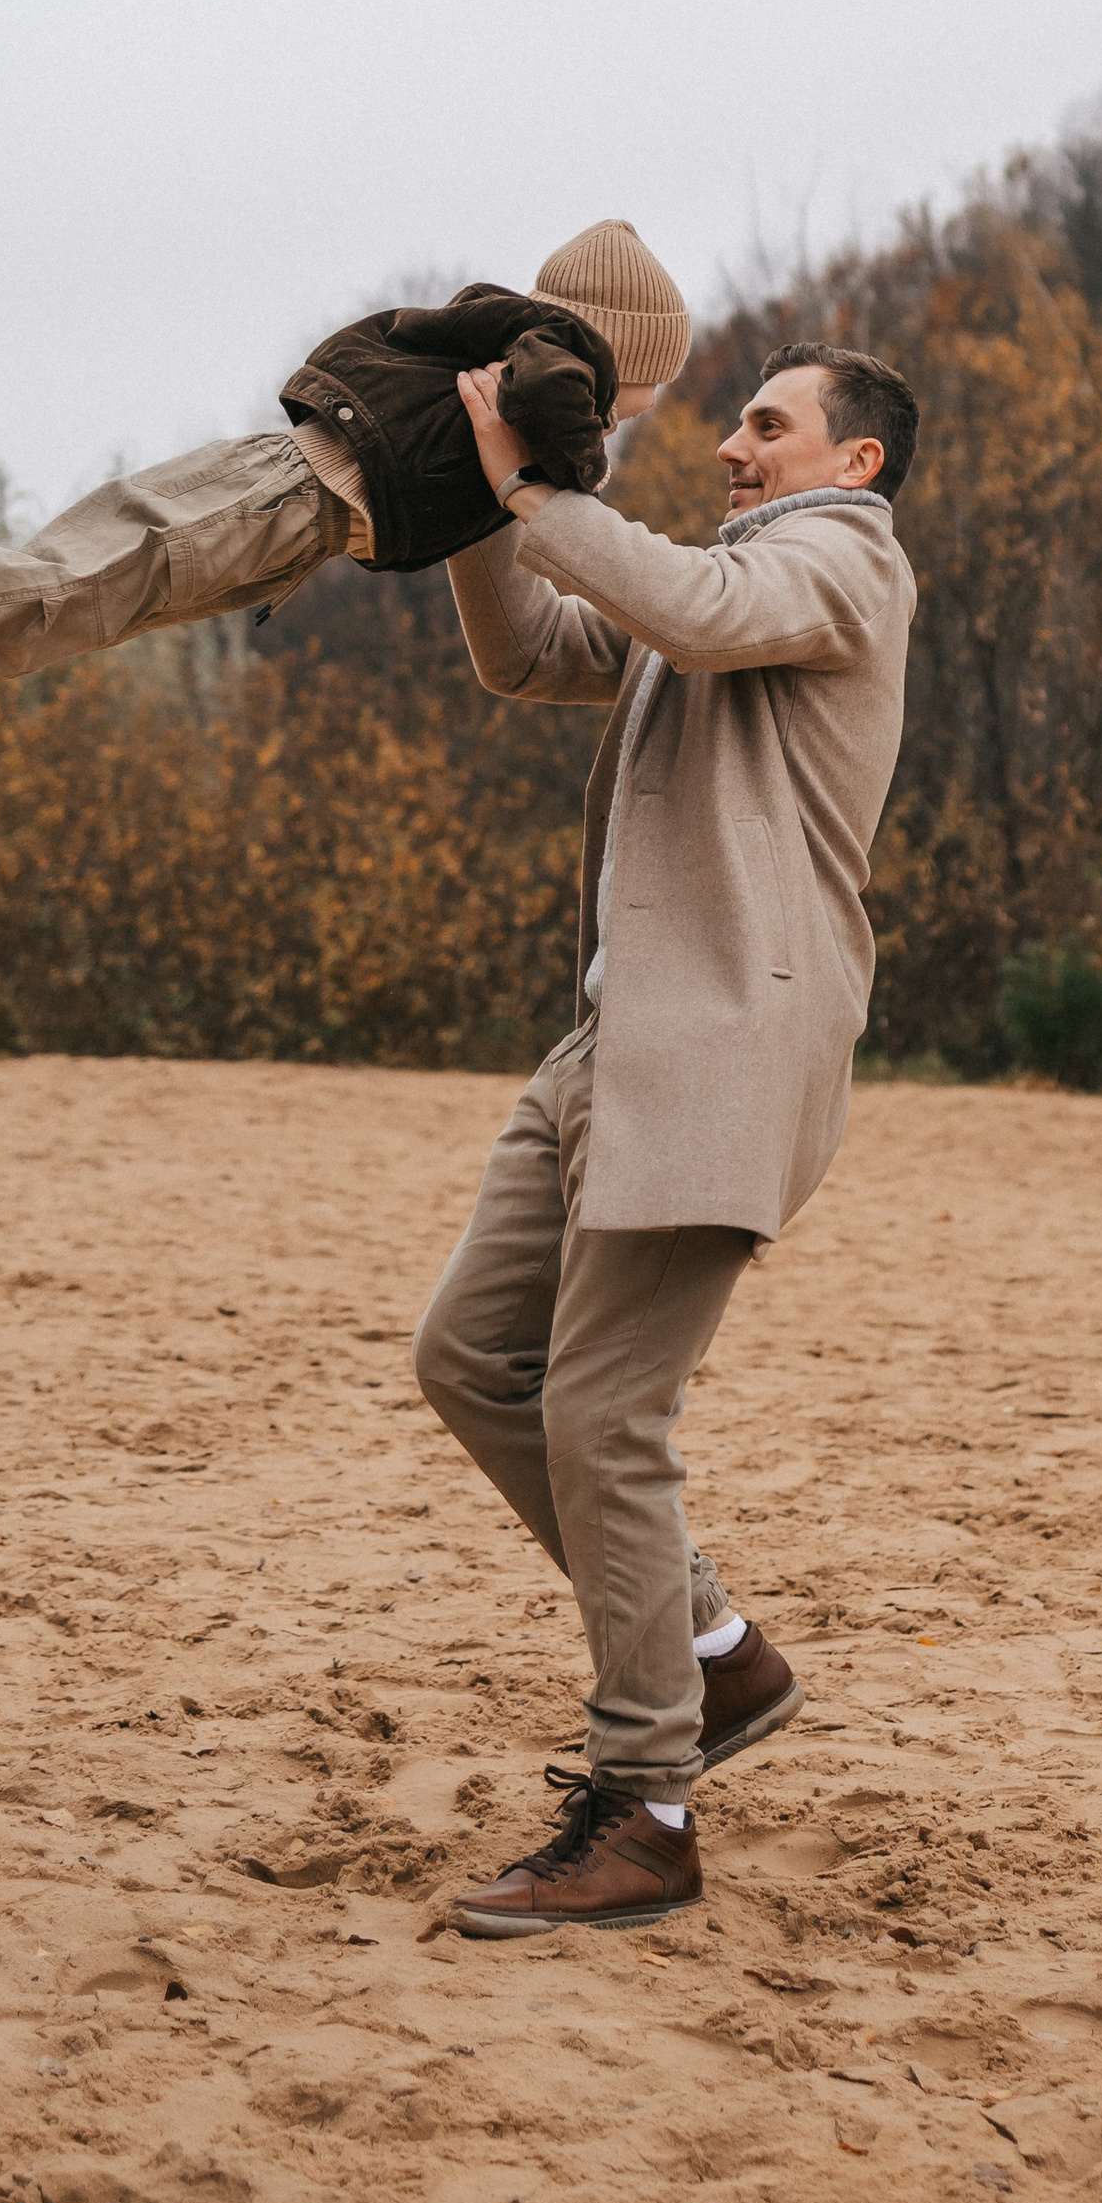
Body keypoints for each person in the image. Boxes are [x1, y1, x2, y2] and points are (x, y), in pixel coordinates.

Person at [414, 337, 920, 1937]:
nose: (733, 444)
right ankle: (717, 1655)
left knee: (603, 1419)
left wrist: (533, 479)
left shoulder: (839, 568)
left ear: (860, 464)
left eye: (770, 424)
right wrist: (469, 510)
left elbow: (683, 610)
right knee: (470, 1359)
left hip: (724, 1050)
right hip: (613, 1043)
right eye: (735, 419)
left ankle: (650, 1808)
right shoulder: (705, 584)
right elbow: (535, 647)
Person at [0, 221, 691, 733]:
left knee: (94, 608)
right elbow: (561, 395)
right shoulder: (563, 355)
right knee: (87, 578)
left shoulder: (516, 378)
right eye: (653, 378)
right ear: (626, 348)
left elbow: (518, 632)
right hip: (290, 490)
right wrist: (578, 473)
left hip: (299, 524)